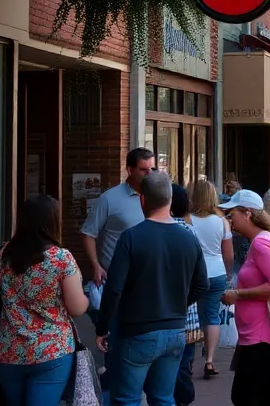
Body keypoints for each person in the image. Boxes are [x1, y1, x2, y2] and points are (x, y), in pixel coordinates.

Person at [95, 172, 207, 405]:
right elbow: (201, 285)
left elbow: (114, 288)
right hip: (176, 329)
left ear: (142, 200)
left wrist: (103, 326)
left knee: (127, 398)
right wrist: (178, 303)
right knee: (164, 398)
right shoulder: (189, 237)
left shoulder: (131, 237)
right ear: (168, 200)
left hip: (137, 330)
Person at [0, 195, 88, 406]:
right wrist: (88, 299)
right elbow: (77, 308)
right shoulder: (60, 258)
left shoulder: (1, 254)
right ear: (52, 222)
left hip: (8, 348)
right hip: (51, 350)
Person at [218, 190, 270, 406]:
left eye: (232, 214)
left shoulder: (261, 243)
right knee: (263, 394)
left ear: (247, 214)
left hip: (262, 336)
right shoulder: (261, 241)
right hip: (258, 334)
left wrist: (238, 294)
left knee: (246, 395)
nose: (230, 220)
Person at [82, 148, 153, 286]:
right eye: (143, 169)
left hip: (148, 277)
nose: (149, 174)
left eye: (152, 169)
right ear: (130, 170)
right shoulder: (109, 199)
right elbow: (88, 234)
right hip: (117, 278)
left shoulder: (157, 197)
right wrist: (96, 265)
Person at [187, 180, 233, 378]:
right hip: (216, 272)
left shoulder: (187, 219)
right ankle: (209, 360)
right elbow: (229, 254)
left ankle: (187, 360)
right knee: (212, 316)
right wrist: (228, 273)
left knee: (191, 316)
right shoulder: (221, 221)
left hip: (193, 274)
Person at [171, 184, 204, 406]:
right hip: (188, 312)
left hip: (164, 313)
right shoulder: (191, 231)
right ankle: (183, 396)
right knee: (183, 362)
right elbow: (201, 279)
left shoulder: (157, 229)